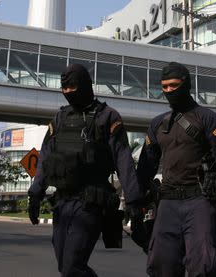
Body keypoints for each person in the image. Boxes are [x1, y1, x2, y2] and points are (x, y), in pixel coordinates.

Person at [28, 64, 142, 277]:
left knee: (72, 265)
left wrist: (134, 203)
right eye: (65, 88)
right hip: (62, 202)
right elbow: (45, 157)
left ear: (85, 85)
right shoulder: (60, 118)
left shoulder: (107, 116)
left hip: (91, 202)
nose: (68, 92)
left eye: (73, 87)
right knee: (64, 265)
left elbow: (123, 160)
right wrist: (35, 194)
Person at [137, 62, 216, 277]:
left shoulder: (208, 118)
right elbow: (145, 168)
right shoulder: (158, 124)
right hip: (167, 202)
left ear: (186, 84)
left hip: (199, 200)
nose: (168, 91)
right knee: (160, 265)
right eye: (164, 87)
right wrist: (136, 201)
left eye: (173, 85)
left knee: (204, 264)